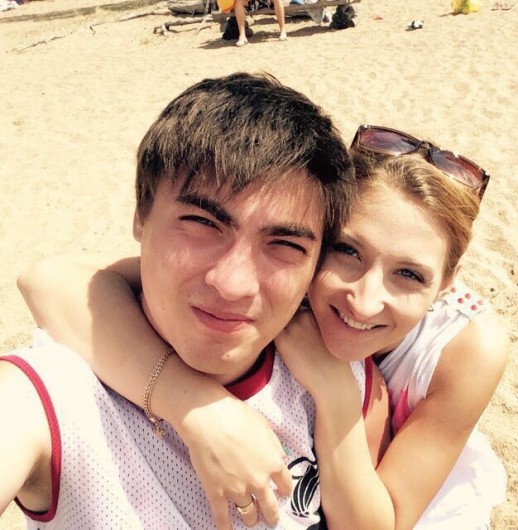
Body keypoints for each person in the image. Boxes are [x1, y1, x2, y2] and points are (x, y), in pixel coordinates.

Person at [19, 126, 510, 528]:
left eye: (410, 275)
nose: (364, 301)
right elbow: (49, 280)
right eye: (346, 250)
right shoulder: (279, 282)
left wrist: (337, 398)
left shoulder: (467, 347)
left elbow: (387, 521)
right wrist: (195, 406)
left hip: (424, 503)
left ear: (445, 284)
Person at [0, 72, 391, 530]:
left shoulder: (331, 372)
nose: (233, 284)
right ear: (141, 216)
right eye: (203, 223)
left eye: (285, 244)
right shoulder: (54, 395)